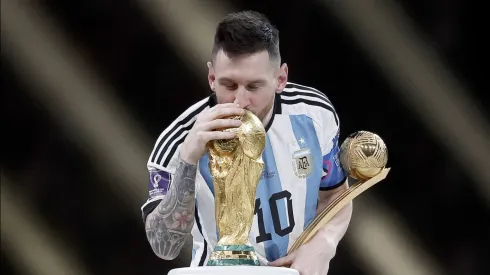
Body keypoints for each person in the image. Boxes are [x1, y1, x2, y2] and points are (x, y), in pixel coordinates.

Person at [141, 10, 353, 275]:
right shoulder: (177, 142)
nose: (240, 101)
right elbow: (164, 247)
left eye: (254, 87)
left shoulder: (314, 114)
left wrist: (325, 243)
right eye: (228, 85)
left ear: (281, 79)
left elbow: (336, 193)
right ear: (211, 78)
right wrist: (188, 159)